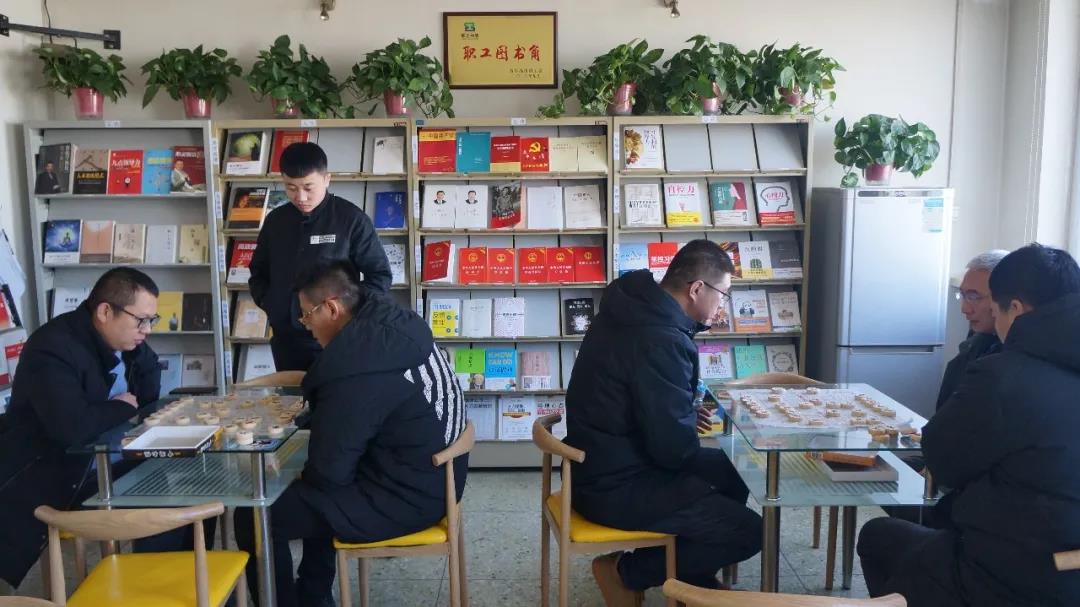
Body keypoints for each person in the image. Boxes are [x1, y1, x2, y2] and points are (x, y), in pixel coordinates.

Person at [858, 243, 1080, 607]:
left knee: (879, 537)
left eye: (993, 308)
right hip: (1068, 569)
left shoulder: (1003, 375)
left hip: (1010, 575)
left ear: (1015, 309)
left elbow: (942, 461)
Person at [235, 261, 468, 607]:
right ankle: (314, 594)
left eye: (306, 315)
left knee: (256, 515)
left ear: (331, 308)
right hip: (438, 478)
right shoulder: (393, 324)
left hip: (404, 498)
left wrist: (298, 470)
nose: (305, 326)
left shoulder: (355, 367)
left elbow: (329, 473)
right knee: (313, 493)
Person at [565, 239, 762, 605]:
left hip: (602, 461)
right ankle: (626, 573)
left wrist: (681, 411)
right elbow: (673, 451)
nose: (723, 306)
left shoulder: (633, 308)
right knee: (750, 532)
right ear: (697, 289)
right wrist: (682, 419)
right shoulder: (660, 337)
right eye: (723, 294)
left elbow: (639, 399)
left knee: (734, 470)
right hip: (618, 483)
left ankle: (693, 577)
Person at [0, 268, 165, 590]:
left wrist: (138, 353)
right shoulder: (52, 347)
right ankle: (154, 589)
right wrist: (121, 407)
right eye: (141, 321)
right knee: (162, 490)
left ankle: (173, 585)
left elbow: (148, 398)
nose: (146, 330)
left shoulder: (123, 341)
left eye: (151, 321)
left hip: (97, 459)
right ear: (105, 312)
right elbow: (71, 428)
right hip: (51, 475)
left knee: (176, 476)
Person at [248, 142, 392, 371]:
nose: (300, 197)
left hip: (337, 338)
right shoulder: (276, 221)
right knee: (291, 394)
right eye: (291, 188)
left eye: (308, 187)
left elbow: (380, 276)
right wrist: (271, 303)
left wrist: (347, 311)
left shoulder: (351, 219)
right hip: (287, 339)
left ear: (327, 179)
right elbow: (258, 271)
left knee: (339, 393)